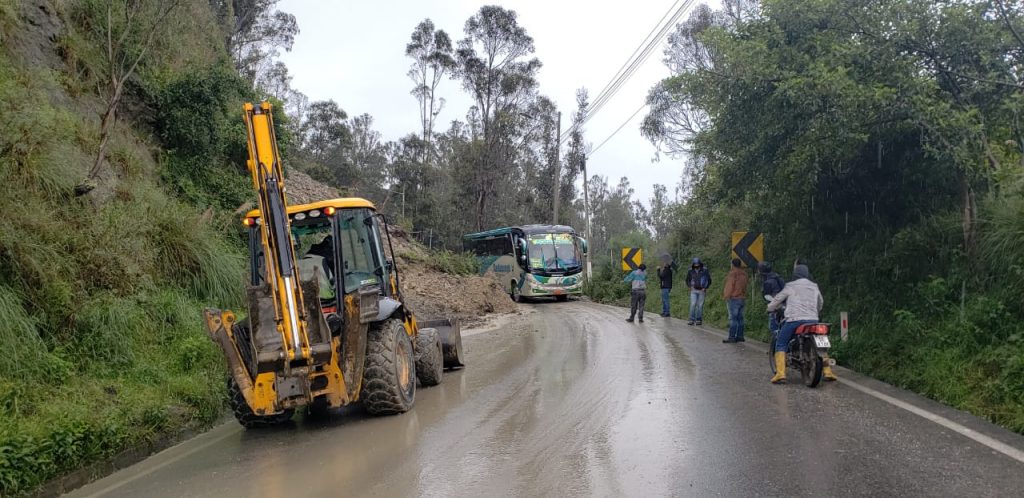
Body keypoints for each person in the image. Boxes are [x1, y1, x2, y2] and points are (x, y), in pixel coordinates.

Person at [766, 264, 836, 383]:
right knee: (822, 345)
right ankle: (828, 371)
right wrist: (815, 312)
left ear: (795, 274)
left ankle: (781, 374)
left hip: (794, 320)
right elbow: (820, 303)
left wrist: (769, 308)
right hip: (813, 320)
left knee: (781, 343)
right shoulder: (814, 286)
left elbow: (778, 299)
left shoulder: (790, 286)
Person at [722, 258, 749, 343]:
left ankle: (732, 337)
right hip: (742, 298)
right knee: (740, 318)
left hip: (734, 298)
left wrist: (726, 296)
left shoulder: (733, 274)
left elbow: (730, 286)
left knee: (733, 319)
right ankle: (740, 336)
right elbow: (745, 286)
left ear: (732, 264)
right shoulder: (744, 274)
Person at [758, 262, 785, 336]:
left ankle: (777, 344)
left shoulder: (768, 282)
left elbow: (766, 296)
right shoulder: (778, 277)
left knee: (773, 327)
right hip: (784, 304)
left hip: (775, 306)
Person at [685, 258, 711, 325]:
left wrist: (705, 287)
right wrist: (689, 286)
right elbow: (687, 280)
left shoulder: (705, 270)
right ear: (693, 264)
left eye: (697, 264)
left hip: (702, 290)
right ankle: (691, 319)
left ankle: (698, 319)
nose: (696, 265)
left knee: (700, 305)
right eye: (695, 264)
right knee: (693, 304)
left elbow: (709, 280)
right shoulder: (690, 271)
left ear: (700, 264)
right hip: (693, 290)